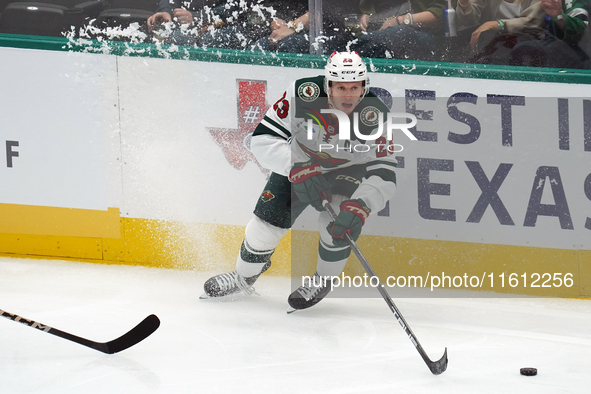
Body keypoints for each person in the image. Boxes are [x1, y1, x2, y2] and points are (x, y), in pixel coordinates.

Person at [202, 52, 397, 311]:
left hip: (347, 172)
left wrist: (361, 205)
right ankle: (243, 276)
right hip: (300, 164)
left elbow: (384, 172)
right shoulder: (302, 93)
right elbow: (262, 139)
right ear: (328, 85)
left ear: (364, 87)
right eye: (340, 87)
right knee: (264, 229)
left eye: (354, 87)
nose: (348, 95)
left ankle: (323, 279)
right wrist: (297, 168)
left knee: (336, 222)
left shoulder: (376, 115)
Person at [250, 0, 361, 54]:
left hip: (330, 30)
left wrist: (293, 26)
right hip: (291, 27)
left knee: (287, 45)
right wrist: (276, 23)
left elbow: (325, 10)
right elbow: (272, 6)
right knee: (259, 47)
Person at [454, 0, 546, 64]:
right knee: (459, 41)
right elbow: (469, 21)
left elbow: (533, 22)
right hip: (490, 40)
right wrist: (464, 3)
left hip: (526, 39)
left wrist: (498, 24)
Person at [350, 0, 446, 61]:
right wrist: (367, 15)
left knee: (398, 34)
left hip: (425, 35)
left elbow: (441, 14)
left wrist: (401, 20)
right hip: (375, 32)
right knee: (338, 37)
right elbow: (366, 7)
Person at [509, 0, 590, 68]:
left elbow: (581, 30)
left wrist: (559, 16)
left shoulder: (576, 3)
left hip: (569, 67)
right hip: (513, 57)